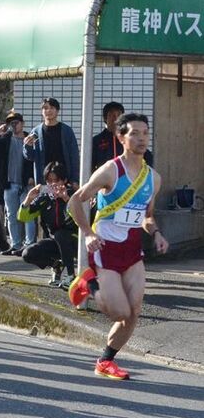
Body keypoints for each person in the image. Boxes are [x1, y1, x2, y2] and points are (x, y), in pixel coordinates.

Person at [66, 113, 167, 380]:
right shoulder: (111, 170)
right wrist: (87, 233)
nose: (141, 138)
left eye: (145, 133)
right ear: (121, 137)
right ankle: (90, 284)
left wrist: (156, 233)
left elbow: (147, 216)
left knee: (133, 313)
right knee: (119, 311)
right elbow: (75, 201)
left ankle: (105, 361)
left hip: (132, 252)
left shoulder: (153, 178)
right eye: (134, 133)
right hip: (105, 248)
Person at [19, 162, 78, 287]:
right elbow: (23, 217)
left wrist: (67, 199)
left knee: (61, 234)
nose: (53, 184)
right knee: (28, 253)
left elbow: (82, 218)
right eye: (49, 181)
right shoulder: (45, 198)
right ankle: (56, 265)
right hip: (55, 242)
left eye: (56, 180)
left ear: (65, 180)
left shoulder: (74, 195)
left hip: (76, 241)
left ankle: (71, 275)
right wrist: (28, 199)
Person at [0, 111, 36, 255]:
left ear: (22, 123)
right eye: (11, 123)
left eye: (16, 122)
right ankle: (16, 244)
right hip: (9, 183)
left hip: (26, 184)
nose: (13, 126)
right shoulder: (4, 140)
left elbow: (35, 159)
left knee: (28, 215)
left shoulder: (30, 138)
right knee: (12, 215)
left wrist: (32, 176)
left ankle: (30, 244)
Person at [23, 97, 80, 186]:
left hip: (64, 180)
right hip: (44, 180)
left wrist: (75, 180)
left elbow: (74, 156)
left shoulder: (67, 130)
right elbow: (29, 157)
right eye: (45, 108)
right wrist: (27, 146)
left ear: (57, 111)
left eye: (52, 108)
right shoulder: (36, 132)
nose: (48, 110)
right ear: (41, 111)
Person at [92, 101, 153, 171]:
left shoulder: (128, 138)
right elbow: (90, 164)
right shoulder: (97, 140)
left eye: (119, 115)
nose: (115, 118)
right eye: (111, 115)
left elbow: (146, 156)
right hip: (105, 178)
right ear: (105, 118)